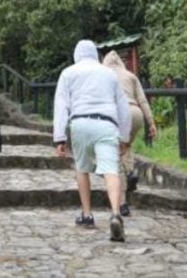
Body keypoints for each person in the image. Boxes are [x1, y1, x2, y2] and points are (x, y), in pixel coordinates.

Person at [53, 39, 131, 242]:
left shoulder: (68, 73)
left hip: (80, 124)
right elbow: (123, 106)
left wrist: (59, 137)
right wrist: (125, 136)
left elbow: (61, 105)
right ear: (96, 55)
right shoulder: (109, 74)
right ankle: (115, 213)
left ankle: (87, 215)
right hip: (106, 124)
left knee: (82, 168)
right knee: (110, 170)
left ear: (77, 55)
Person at [102, 50, 156, 217]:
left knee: (116, 158)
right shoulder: (130, 76)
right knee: (126, 146)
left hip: (118, 114)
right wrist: (151, 123)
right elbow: (143, 100)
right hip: (136, 113)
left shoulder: (104, 75)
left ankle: (122, 203)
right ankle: (131, 170)